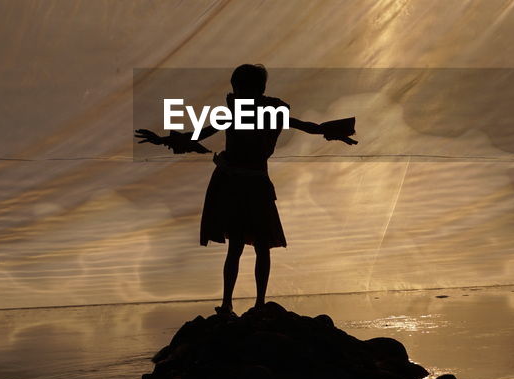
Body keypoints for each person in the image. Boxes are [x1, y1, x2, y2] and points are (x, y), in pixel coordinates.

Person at [135, 64, 356, 314]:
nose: (239, 92)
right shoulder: (250, 114)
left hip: (245, 184)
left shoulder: (259, 113)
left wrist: (336, 132)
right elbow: (197, 134)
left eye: (241, 87)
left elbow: (311, 127)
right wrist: (163, 139)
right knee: (243, 246)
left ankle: (251, 302)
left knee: (251, 246)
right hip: (240, 184)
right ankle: (235, 302)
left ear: (252, 89)